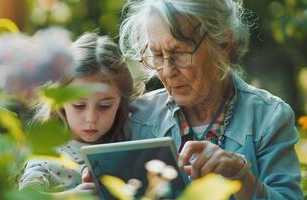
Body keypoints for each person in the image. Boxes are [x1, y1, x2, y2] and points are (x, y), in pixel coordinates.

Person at [119, 0, 302, 199]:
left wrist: (241, 178)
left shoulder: (269, 117)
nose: (168, 71)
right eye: (156, 55)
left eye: (179, 53)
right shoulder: (136, 118)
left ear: (223, 43)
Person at [19, 33, 134, 194]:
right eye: (79, 105)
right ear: (60, 102)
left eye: (104, 106)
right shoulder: (47, 154)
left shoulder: (132, 143)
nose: (91, 119)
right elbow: (26, 196)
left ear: (120, 103)